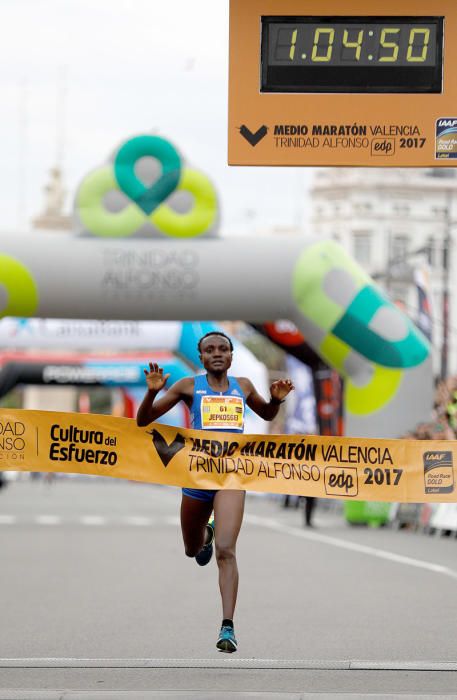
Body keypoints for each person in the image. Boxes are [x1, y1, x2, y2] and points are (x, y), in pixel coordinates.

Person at [136, 331, 294, 653]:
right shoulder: (188, 387)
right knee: (192, 550)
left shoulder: (244, 386)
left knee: (226, 549)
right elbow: (143, 420)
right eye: (210, 350)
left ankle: (227, 626)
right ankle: (202, 539)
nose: (217, 353)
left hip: (231, 477)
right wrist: (152, 394)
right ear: (201, 357)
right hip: (196, 478)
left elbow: (265, 414)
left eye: (223, 348)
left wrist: (276, 400)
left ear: (232, 356)